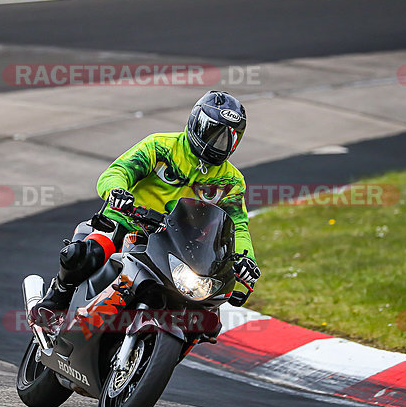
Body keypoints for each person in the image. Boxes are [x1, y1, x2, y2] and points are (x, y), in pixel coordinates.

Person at [29, 90, 261, 336]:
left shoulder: (231, 180)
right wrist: (117, 191)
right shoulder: (160, 146)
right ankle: (56, 300)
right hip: (126, 223)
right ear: (195, 122)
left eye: (226, 138)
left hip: (178, 244)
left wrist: (246, 259)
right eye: (212, 132)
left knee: (206, 319)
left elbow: (237, 224)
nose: (217, 142)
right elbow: (118, 171)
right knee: (86, 254)